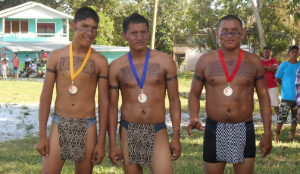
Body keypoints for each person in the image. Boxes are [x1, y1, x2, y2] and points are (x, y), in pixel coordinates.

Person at [187, 15, 272, 174]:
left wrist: (268, 133)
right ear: (217, 34)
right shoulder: (205, 61)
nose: (229, 35)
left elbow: (263, 97)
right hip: (214, 127)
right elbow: (194, 93)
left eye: (235, 31)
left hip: (244, 127)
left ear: (243, 34)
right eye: (224, 31)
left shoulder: (254, 61)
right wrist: (194, 117)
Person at [35, 7, 109, 174]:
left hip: (87, 124)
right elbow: (46, 96)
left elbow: (104, 102)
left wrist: (101, 142)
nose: (90, 32)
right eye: (84, 26)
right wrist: (42, 135)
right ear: (74, 25)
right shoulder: (56, 56)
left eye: (94, 28)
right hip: (59, 123)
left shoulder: (100, 61)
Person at [108, 13, 181, 174]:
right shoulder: (116, 66)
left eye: (143, 32)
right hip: (129, 129)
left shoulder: (165, 61)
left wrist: (176, 137)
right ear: (124, 36)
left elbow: (174, 100)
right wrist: (112, 144)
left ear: (148, 33)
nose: (139, 37)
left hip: (157, 129)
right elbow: (112, 107)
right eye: (134, 33)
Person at [274, 45, 300, 142]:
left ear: (298, 54)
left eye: (296, 51)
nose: (294, 53)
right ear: (288, 54)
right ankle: (277, 134)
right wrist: (285, 86)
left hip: (297, 98)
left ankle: (292, 135)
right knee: (282, 117)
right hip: (286, 97)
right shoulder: (283, 65)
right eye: (292, 51)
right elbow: (277, 79)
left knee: (295, 118)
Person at [261, 46, 280, 119]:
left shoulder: (274, 60)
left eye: (268, 52)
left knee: (275, 102)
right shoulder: (260, 61)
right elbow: (259, 70)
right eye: (265, 52)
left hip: (273, 85)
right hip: (262, 86)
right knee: (264, 103)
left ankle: (279, 118)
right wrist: (270, 69)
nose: (267, 53)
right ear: (263, 53)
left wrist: (264, 68)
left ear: (271, 52)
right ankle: (265, 118)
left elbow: (275, 68)